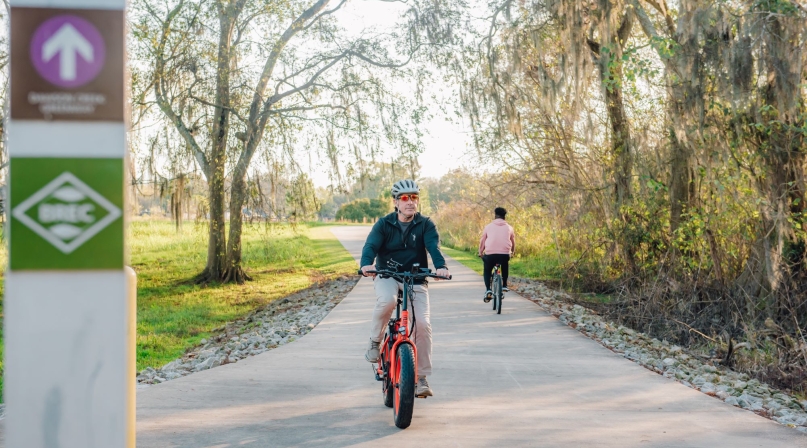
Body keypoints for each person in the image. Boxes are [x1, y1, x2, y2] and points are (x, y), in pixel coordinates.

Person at [359, 179, 451, 398]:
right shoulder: (384, 224)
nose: (410, 202)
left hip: (416, 279)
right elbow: (371, 245)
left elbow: (433, 247)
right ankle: (375, 341)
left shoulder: (425, 224)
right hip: (387, 275)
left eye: (414, 197)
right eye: (405, 198)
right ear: (396, 202)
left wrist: (441, 267)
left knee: (423, 325)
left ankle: (420, 378)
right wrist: (366, 264)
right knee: (387, 301)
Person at [478, 207, 515, 302]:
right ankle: (504, 285)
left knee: (487, 270)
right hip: (504, 254)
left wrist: (480, 252)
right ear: (504, 217)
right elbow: (512, 241)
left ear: (495, 215)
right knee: (505, 265)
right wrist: (512, 251)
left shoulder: (488, 227)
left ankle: (488, 290)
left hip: (490, 254)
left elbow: (483, 240)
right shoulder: (509, 228)